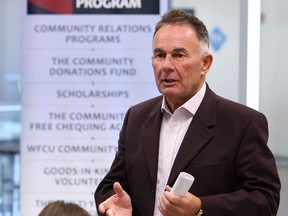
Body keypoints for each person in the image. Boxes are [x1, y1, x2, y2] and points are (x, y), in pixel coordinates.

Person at [94, 9, 281, 216]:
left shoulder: (242, 123)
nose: (166, 65)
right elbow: (111, 186)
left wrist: (200, 208)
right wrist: (113, 204)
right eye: (159, 55)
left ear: (205, 63)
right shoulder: (136, 117)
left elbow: (265, 200)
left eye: (179, 55)